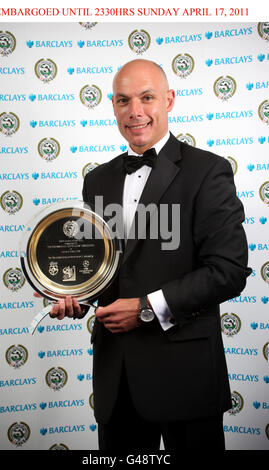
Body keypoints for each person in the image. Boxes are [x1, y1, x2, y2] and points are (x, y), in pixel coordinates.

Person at [49, 59, 251, 451]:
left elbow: (228, 270)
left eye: (147, 97)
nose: (135, 111)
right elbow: (105, 269)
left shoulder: (208, 171)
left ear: (169, 100)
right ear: (112, 106)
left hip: (186, 375)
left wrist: (145, 307)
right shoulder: (98, 179)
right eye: (123, 100)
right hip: (117, 376)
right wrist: (76, 296)